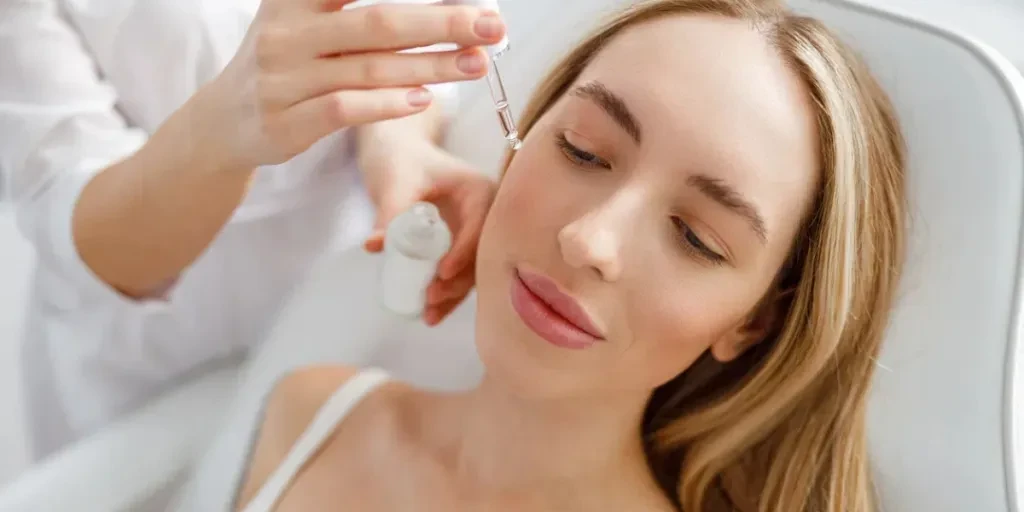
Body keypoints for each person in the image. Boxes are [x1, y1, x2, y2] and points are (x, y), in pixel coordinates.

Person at [184, 0, 910, 510]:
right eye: (583, 150)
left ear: (752, 323)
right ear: (523, 136)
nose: (588, 241)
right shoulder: (311, 411)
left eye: (696, 238)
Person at [0, 0, 507, 459]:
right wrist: (220, 131)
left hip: (347, 286)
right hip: (146, 352)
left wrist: (396, 142)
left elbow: (404, 30)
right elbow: (66, 200)